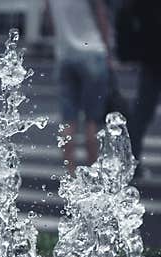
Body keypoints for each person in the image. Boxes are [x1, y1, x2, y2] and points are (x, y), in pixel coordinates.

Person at [47, 0, 114, 174]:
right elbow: (101, 16)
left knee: (68, 120)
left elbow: (51, 21)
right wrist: (108, 52)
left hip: (65, 54)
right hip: (92, 52)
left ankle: (70, 172)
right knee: (92, 120)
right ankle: (92, 172)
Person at [117, 0, 161, 176]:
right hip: (152, 57)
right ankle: (132, 162)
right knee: (142, 113)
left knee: (142, 113)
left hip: (151, 58)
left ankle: (132, 163)